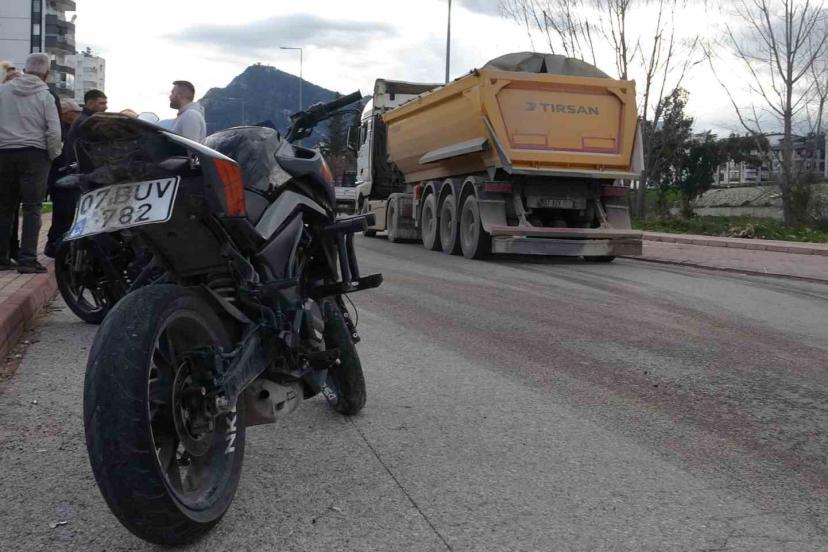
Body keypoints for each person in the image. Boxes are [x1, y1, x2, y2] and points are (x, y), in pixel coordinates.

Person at [0, 53, 62, 273]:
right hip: (35, 154)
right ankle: (27, 259)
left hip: (4, 153)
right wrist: (52, 155)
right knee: (32, 208)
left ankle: (2, 258)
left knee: (4, 207)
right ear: (46, 74)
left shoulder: (3, 91)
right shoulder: (46, 96)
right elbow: (54, 131)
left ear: (24, 70)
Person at [44, 99, 84, 257]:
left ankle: (59, 245)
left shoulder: (71, 129)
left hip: (67, 176)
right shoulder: (60, 130)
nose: (78, 115)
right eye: (75, 112)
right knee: (62, 212)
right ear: (66, 113)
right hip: (59, 176)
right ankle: (54, 245)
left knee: (68, 212)